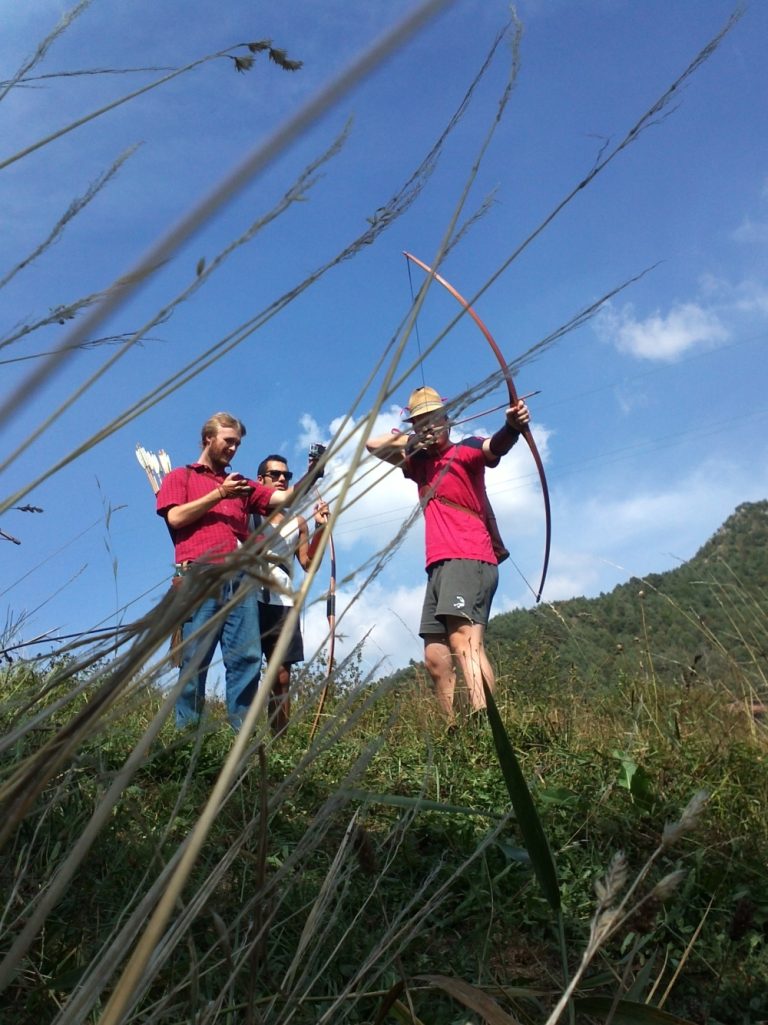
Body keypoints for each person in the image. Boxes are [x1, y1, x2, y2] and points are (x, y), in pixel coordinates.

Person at [366, 386, 530, 721]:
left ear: (448, 420)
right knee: (436, 657)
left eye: (434, 419)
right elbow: (373, 444)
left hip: (469, 556)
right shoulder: (419, 463)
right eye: (420, 421)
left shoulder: (465, 449)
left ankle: (485, 726)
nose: (428, 426)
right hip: (439, 565)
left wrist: (512, 427)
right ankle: (453, 732)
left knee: (464, 641)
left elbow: (493, 447)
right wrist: (414, 440)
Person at [156, 412, 322, 730]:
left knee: (246, 659)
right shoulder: (182, 477)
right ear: (208, 439)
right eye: (228, 441)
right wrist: (219, 494)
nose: (233, 449)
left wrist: (313, 473)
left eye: (237, 444)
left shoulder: (242, 485)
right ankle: (187, 736)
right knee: (195, 659)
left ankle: (241, 739)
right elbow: (175, 518)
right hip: (200, 575)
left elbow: (285, 497)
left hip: (243, 580)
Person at [254, 454, 330, 736]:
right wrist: (313, 473)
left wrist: (321, 527)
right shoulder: (251, 514)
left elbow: (308, 563)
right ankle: (242, 738)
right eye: (275, 475)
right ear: (261, 480)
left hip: (282, 601)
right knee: (247, 668)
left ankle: (279, 738)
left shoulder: (298, 521)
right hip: (251, 597)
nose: (282, 479)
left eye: (286, 475)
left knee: (282, 675)